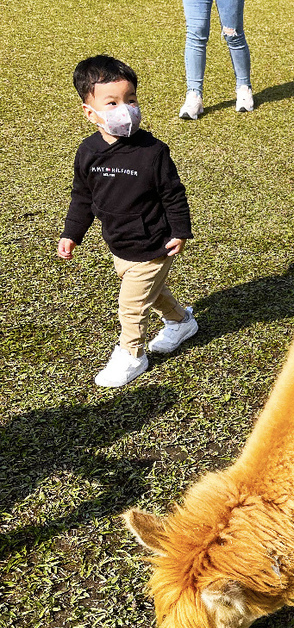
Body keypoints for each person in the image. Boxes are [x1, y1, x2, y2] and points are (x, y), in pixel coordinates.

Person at [57, 56, 198, 388]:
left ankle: (131, 355)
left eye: (131, 100)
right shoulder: (88, 152)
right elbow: (82, 197)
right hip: (119, 242)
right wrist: (71, 233)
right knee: (150, 292)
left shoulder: (152, 151)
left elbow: (173, 194)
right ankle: (181, 322)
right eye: (113, 102)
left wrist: (179, 230)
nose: (126, 109)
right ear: (90, 112)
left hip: (154, 244)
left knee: (131, 304)